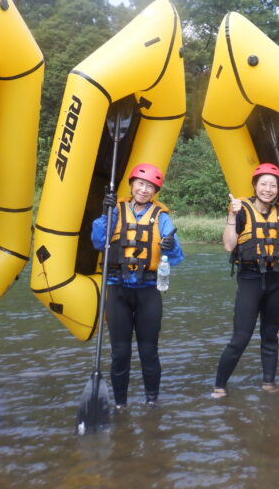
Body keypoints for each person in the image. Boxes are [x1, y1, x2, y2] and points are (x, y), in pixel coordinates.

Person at [91, 163, 183, 409]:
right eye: (140, 184)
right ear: (131, 185)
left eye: (150, 187)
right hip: (118, 290)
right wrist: (104, 213)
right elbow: (99, 242)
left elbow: (177, 258)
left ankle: (152, 401)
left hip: (148, 292)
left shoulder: (162, 217)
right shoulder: (115, 211)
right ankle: (120, 404)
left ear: (155, 191)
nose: (144, 190)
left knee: (149, 351)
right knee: (120, 353)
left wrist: (169, 245)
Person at [212, 163, 279, 398]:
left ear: (278, 189)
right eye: (264, 184)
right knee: (241, 337)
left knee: (270, 336)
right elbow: (229, 245)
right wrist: (231, 215)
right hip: (250, 278)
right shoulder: (241, 210)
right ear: (255, 185)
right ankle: (220, 385)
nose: (268, 189)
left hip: (276, 279)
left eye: (273, 185)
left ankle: (268, 383)